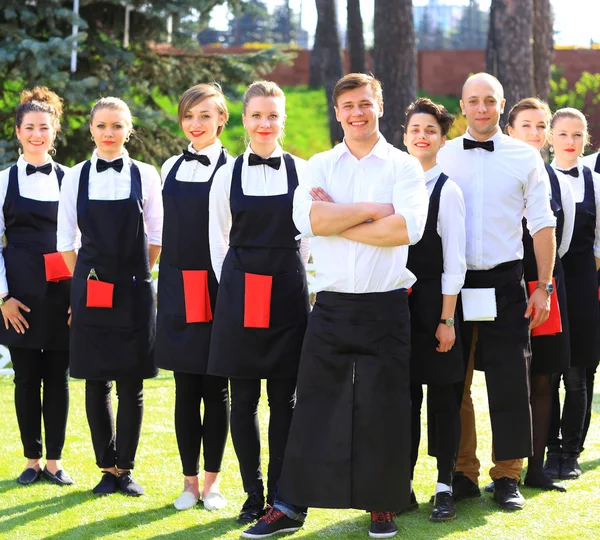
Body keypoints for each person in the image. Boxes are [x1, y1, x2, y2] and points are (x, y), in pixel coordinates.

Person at [242, 73, 428, 540]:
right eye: (347, 105)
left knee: (383, 408)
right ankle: (289, 506)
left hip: (387, 307)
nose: (356, 113)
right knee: (313, 409)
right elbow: (307, 219)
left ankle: (381, 505)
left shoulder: (405, 167)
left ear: (379, 106)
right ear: (337, 111)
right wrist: (374, 210)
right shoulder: (319, 166)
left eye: (364, 103)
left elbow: (407, 230)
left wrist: (338, 219)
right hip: (330, 308)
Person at [437, 73, 556, 511]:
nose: (482, 108)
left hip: (506, 280)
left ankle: (507, 476)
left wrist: (543, 285)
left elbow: (543, 223)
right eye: (474, 101)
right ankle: (461, 472)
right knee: (456, 383)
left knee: (510, 379)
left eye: (490, 100)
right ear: (463, 105)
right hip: (455, 282)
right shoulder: (443, 155)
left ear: (502, 105)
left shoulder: (526, 158)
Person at [207, 81, 310, 524]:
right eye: (256, 116)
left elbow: (310, 238)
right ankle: (253, 493)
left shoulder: (305, 171)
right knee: (243, 397)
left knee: (284, 399)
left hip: (287, 290)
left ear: (282, 119)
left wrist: (292, 275)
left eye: (272, 115)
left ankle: (281, 494)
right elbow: (217, 240)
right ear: (244, 120)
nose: (264, 123)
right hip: (240, 291)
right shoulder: (226, 174)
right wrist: (235, 287)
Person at [57, 97, 163, 496]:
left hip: (135, 290)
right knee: (96, 381)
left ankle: (126, 468)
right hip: (92, 288)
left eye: (117, 125)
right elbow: (65, 240)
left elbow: (156, 237)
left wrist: (137, 273)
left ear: (128, 129)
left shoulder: (147, 174)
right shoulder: (76, 177)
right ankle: (107, 468)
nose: (108, 133)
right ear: (91, 128)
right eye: (101, 125)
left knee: (131, 384)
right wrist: (84, 282)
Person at [155, 84, 232, 511]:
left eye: (205, 115)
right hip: (177, 287)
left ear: (222, 119)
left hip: (219, 287)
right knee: (185, 388)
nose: (196, 124)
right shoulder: (168, 166)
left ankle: (214, 483)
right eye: (189, 116)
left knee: (216, 389)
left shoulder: (233, 168)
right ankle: (188, 484)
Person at [0, 87, 73, 486]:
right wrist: (3, 299)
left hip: (61, 294)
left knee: (58, 378)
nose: (36, 134)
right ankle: (31, 459)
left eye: (43, 127)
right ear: (18, 131)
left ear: (54, 130)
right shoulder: (2, 181)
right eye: (29, 127)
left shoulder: (72, 179)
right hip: (18, 297)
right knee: (26, 377)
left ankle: (55, 461)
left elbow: (81, 242)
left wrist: (79, 297)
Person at [504, 98, 574, 491]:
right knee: (512, 376)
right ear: (510, 129)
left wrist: (545, 284)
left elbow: (560, 240)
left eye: (540, 126)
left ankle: (536, 468)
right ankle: (505, 473)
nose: (534, 133)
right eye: (526, 125)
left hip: (546, 283)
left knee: (545, 376)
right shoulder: (499, 170)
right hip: (508, 282)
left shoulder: (557, 179)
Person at [403, 98, 467, 522]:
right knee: (402, 400)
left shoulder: (448, 190)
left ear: (442, 140)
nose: (421, 136)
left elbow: (454, 262)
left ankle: (444, 486)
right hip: (397, 306)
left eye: (430, 130)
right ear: (404, 138)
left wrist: (446, 320)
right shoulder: (393, 186)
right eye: (414, 130)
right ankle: (399, 483)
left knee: (444, 400)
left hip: (437, 304)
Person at [545, 108, 600, 481]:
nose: (570, 142)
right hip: (549, 282)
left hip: (583, 284)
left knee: (579, 373)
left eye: (577, 135)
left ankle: (571, 452)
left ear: (586, 139)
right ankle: (548, 450)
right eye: (563, 134)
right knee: (548, 372)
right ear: (550, 136)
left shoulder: (597, 181)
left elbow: (598, 245)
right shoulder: (538, 177)